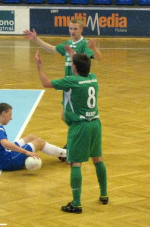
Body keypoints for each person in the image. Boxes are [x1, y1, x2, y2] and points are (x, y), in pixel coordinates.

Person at [35, 46, 108, 214]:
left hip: (80, 126)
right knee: (98, 159)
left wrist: (39, 67)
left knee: (75, 163)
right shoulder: (93, 78)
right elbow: (82, 66)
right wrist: (72, 55)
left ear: (74, 67)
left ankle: (76, 203)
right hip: (95, 124)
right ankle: (104, 194)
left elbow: (46, 83)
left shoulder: (71, 82)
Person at [0, 103, 67, 171]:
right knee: (39, 143)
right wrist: (26, 152)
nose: (11, 118)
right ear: (3, 113)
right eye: (10, 114)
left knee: (32, 137)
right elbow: (6, 144)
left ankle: (60, 154)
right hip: (6, 161)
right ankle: (66, 153)